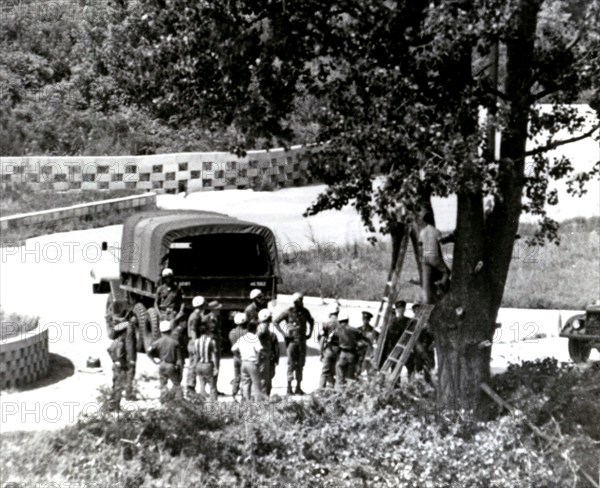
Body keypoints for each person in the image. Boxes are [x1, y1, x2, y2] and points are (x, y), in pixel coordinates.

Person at [273, 292, 314, 395]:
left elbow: (311, 321)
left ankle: (298, 388)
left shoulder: (305, 312)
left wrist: (309, 333)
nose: (301, 302)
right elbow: (275, 321)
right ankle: (289, 388)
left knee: (300, 365)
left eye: (301, 300)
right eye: (299, 300)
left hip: (302, 342)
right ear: (295, 302)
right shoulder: (288, 312)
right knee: (291, 364)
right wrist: (284, 334)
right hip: (291, 342)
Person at [418, 211, 451, 304]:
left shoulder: (422, 232)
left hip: (425, 258)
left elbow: (420, 244)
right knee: (446, 271)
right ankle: (441, 283)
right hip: (433, 257)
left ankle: (426, 300)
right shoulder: (436, 231)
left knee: (426, 281)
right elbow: (442, 242)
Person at [147, 320, 184, 401]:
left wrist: (155, 361)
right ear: (170, 330)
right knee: (177, 384)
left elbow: (149, 352)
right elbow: (179, 360)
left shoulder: (157, 342)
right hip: (171, 365)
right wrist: (180, 372)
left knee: (163, 385)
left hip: (162, 365)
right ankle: (180, 402)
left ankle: (164, 402)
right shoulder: (175, 342)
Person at [231, 321, 265, 402]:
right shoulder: (254, 338)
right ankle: (258, 403)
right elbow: (259, 350)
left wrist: (239, 356)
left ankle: (246, 402)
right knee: (256, 384)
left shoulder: (242, 338)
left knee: (245, 384)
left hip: (244, 363)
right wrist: (258, 360)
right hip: (252, 362)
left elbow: (233, 349)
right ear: (254, 329)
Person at [335, 314, 369, 389]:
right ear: (347, 320)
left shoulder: (338, 330)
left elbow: (333, 341)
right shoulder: (354, 330)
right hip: (352, 354)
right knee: (350, 376)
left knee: (340, 373)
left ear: (339, 321)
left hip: (342, 354)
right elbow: (363, 338)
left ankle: (339, 390)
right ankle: (349, 392)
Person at [185, 296, 207, 397]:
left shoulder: (196, 315)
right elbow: (193, 331)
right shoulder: (195, 316)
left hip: (195, 342)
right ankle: (190, 388)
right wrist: (196, 344)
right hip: (194, 342)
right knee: (193, 365)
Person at [107, 321, 130, 411]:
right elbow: (120, 355)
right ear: (123, 332)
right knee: (119, 387)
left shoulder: (115, 342)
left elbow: (109, 350)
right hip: (120, 367)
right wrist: (122, 363)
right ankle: (116, 407)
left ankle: (111, 405)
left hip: (115, 366)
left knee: (115, 385)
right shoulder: (121, 342)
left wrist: (114, 359)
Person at [193, 323, 219, 401]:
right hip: (208, 365)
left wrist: (195, 366)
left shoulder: (196, 341)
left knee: (202, 385)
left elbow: (196, 355)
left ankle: (202, 404)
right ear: (207, 331)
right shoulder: (211, 341)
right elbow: (214, 356)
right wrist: (216, 367)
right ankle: (213, 404)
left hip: (199, 365)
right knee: (212, 386)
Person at [257, 309, 280, 396]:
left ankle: (265, 396)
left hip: (265, 358)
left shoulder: (261, 330)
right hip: (264, 358)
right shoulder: (264, 331)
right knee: (265, 380)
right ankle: (264, 397)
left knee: (267, 380)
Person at [318, 303, 340, 389]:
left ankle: (321, 390)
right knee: (335, 372)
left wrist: (321, 353)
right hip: (338, 350)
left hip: (329, 350)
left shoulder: (326, 323)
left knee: (325, 372)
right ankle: (334, 389)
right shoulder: (341, 323)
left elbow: (322, 340)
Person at [228, 312, 248, 399]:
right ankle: (244, 394)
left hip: (235, 356)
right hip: (244, 357)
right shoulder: (247, 332)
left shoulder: (231, 332)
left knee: (236, 375)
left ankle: (234, 392)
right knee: (245, 376)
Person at [357, 310, 379, 376]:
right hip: (360, 352)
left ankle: (369, 384)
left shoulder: (373, 331)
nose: (365, 321)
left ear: (369, 320)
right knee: (358, 369)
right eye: (364, 319)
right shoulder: (358, 329)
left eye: (367, 319)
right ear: (362, 319)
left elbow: (377, 342)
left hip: (369, 352)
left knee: (369, 370)